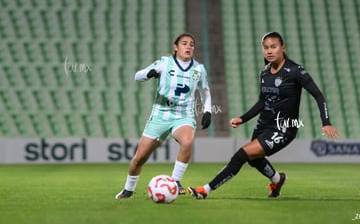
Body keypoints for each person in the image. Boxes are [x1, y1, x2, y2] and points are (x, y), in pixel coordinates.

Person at [188, 31, 338, 199]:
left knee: (241, 155)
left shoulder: (295, 71)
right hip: (263, 124)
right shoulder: (265, 72)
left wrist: (326, 122)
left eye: (273, 47)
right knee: (254, 160)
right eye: (266, 47)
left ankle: (205, 190)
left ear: (282, 48)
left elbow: (318, 95)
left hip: (283, 128)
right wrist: (243, 118)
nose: (269, 51)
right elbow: (262, 102)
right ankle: (277, 179)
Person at [116, 33, 212, 199]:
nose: (189, 47)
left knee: (187, 141)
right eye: (184, 43)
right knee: (140, 158)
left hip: (184, 115)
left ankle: (175, 181)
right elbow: (137, 76)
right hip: (160, 114)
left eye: (192, 44)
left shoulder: (199, 69)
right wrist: (150, 73)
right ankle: (128, 189)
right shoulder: (165, 62)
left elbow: (205, 92)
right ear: (175, 47)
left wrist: (208, 110)